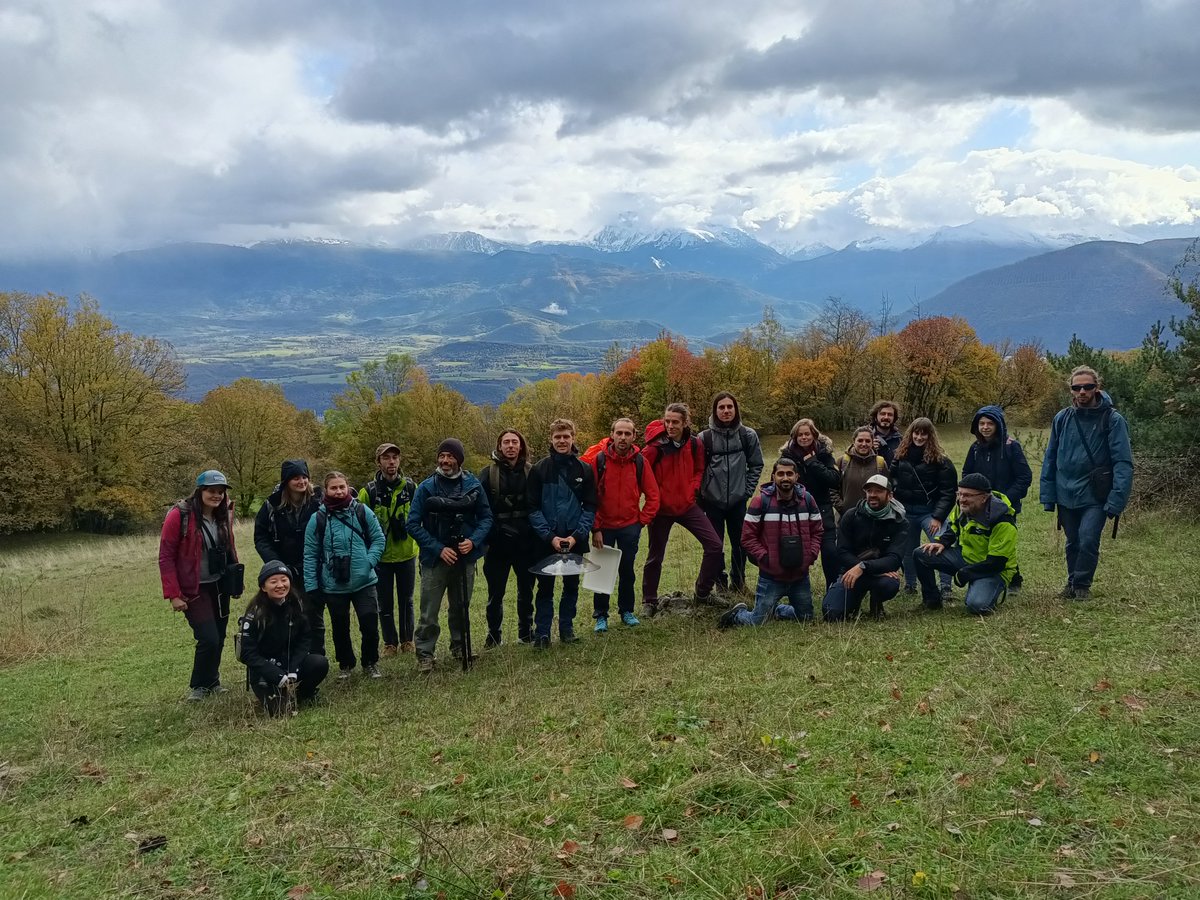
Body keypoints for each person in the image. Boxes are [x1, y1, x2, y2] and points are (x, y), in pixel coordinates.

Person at [1039, 366, 1134, 600]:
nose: (1082, 391)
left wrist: (1117, 499)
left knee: (1089, 538)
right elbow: (1050, 457)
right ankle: (1072, 582)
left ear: (1097, 387)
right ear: (1071, 390)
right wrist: (1048, 495)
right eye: (1076, 387)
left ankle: (1082, 584)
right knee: (1073, 541)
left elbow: (1123, 462)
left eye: (1087, 386)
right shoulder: (1062, 418)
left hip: (1095, 494)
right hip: (1065, 492)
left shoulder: (1112, 419)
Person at [407, 438, 493, 672]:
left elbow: (486, 518)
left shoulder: (473, 485)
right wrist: (438, 548)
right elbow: (412, 524)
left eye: (450, 456)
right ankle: (425, 654)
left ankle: (460, 647)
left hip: (465, 557)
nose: (445, 461)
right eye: (442, 456)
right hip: (435, 559)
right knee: (429, 611)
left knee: (460, 606)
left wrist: (473, 541)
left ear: (459, 460)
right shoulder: (426, 488)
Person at [159, 470, 241, 701]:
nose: (216, 496)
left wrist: (235, 580)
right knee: (208, 637)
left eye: (220, 492)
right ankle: (198, 686)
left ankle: (213, 681)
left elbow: (229, 548)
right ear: (200, 491)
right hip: (194, 588)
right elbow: (165, 556)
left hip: (220, 585)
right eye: (211, 491)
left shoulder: (223, 515)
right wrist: (173, 594)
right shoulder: (180, 515)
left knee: (220, 635)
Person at [717, 458, 823, 628]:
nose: (785, 478)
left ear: (796, 476)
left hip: (800, 575)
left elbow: (818, 530)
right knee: (757, 622)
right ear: (773, 476)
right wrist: (765, 558)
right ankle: (738, 615)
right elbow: (747, 537)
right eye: (780, 474)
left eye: (789, 474)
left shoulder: (808, 500)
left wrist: (810, 555)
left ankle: (776, 609)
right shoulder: (761, 502)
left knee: (805, 619)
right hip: (771, 576)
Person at [640, 403, 724, 614]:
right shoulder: (654, 448)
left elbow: (699, 469)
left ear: (685, 422)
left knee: (715, 546)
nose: (670, 426)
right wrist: (652, 499)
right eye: (667, 421)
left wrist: (693, 489)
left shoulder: (695, 444)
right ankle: (649, 601)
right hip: (661, 510)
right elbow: (640, 473)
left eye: (675, 422)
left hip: (687, 506)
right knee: (655, 557)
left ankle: (702, 593)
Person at [303, 471, 385, 680]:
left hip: (364, 580)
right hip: (333, 583)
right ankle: (345, 664)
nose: (339, 492)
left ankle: (370, 662)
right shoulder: (318, 518)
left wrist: (369, 562)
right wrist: (311, 586)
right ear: (326, 490)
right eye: (334, 488)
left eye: (342, 487)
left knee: (369, 623)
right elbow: (310, 554)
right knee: (340, 627)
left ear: (348, 487)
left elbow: (378, 539)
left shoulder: (361, 511)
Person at [581, 418, 660, 632]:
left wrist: (642, 521)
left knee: (627, 570)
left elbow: (653, 495)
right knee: (602, 571)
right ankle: (601, 616)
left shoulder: (639, 461)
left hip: (629, 526)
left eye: (627, 434)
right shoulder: (599, 460)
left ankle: (626, 611)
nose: (623, 437)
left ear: (634, 436)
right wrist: (595, 527)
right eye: (619, 433)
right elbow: (590, 497)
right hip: (603, 527)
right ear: (612, 434)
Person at [527, 419, 598, 649]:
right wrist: (550, 537)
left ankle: (567, 629)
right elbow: (533, 508)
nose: (562, 441)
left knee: (571, 586)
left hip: (574, 539)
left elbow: (590, 507)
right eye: (557, 437)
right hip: (546, 540)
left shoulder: (584, 469)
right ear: (551, 439)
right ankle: (543, 634)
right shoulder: (539, 469)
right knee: (545, 588)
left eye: (566, 436)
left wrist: (576, 536)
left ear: (573, 438)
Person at [913, 474, 1018, 615]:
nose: (962, 499)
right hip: (965, 558)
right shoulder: (962, 507)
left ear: (984, 497)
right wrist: (942, 542)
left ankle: (990, 590)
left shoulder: (1003, 522)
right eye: (959, 494)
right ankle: (931, 600)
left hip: (993, 570)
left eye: (968, 495)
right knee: (922, 553)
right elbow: (953, 527)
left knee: (977, 606)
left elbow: (996, 563)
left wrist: (965, 574)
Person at [253, 459, 326, 653]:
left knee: (314, 614)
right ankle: (291, 659)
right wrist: (277, 565)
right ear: (286, 481)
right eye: (296, 478)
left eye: (304, 477)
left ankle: (317, 658)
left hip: (314, 567)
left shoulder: (318, 500)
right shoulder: (272, 505)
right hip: (285, 571)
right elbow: (260, 537)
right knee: (288, 614)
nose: (301, 481)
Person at [239, 560, 329, 715]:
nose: (280, 585)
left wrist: (294, 668)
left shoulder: (297, 605)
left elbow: (305, 639)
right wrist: (276, 674)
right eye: (273, 582)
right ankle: (278, 697)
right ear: (263, 587)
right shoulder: (255, 614)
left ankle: (300, 694)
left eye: (284, 580)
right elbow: (247, 653)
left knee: (319, 663)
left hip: (290, 666)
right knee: (281, 713)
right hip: (265, 672)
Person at [697, 391, 764, 594]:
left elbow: (756, 465)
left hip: (738, 501)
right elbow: (697, 470)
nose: (726, 411)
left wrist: (746, 491)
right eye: (722, 407)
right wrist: (703, 495)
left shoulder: (747, 435)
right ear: (715, 411)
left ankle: (739, 582)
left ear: (736, 410)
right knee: (715, 546)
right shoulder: (704, 438)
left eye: (730, 407)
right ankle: (720, 584)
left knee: (741, 544)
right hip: (712, 502)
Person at [962, 405, 1032, 590]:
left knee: (1003, 541)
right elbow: (966, 473)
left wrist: (1006, 498)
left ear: (998, 425)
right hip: (979, 505)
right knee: (984, 540)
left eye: (989, 423)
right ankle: (990, 573)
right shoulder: (975, 448)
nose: (985, 427)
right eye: (981, 423)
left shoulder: (1011, 447)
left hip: (1005, 506)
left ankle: (1014, 578)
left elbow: (1025, 476)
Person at [822, 474, 908, 622]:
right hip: (850, 572)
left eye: (878, 491)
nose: (873, 495)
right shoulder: (851, 515)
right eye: (869, 491)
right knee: (831, 614)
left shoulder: (900, 521)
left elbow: (894, 559)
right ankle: (854, 600)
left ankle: (876, 601)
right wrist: (858, 567)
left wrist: (864, 567)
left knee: (889, 585)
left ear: (890, 495)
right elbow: (842, 551)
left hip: (881, 575)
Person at [359, 443, 419, 655]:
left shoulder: (411, 488)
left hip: (406, 554)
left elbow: (420, 517)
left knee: (407, 600)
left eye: (394, 457)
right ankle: (389, 643)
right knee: (383, 602)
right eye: (386, 458)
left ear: (399, 461)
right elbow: (359, 524)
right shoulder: (369, 492)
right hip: (380, 558)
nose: (391, 462)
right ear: (379, 462)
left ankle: (407, 640)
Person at [479, 429, 537, 646]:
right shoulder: (487, 474)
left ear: (521, 446)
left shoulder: (533, 472)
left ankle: (526, 632)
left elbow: (538, 505)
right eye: (506, 442)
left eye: (515, 442)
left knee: (526, 590)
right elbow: (481, 508)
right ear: (499, 446)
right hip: (497, 544)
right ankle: (493, 635)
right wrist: (492, 534)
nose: (511, 446)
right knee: (495, 593)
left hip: (525, 543)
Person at [889, 417, 958, 599]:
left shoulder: (941, 460)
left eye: (923, 434)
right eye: (916, 433)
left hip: (929, 512)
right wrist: (894, 490)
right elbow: (891, 476)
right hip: (905, 512)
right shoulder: (900, 454)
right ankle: (910, 584)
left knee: (939, 546)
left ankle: (945, 586)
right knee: (908, 550)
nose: (919, 437)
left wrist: (938, 516)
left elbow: (948, 492)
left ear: (930, 436)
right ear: (911, 434)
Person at [779, 418, 841, 590]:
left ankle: (833, 589)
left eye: (807, 434)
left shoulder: (824, 453)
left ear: (814, 435)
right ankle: (798, 590)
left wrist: (813, 463)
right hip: (797, 509)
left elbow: (835, 480)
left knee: (830, 551)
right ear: (794, 437)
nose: (804, 437)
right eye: (800, 435)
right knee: (798, 552)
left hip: (822, 508)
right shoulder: (787, 455)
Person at [835, 426, 889, 516]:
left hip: (873, 517)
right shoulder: (842, 461)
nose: (864, 444)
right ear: (854, 441)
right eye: (860, 440)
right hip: (846, 516)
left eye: (868, 441)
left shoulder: (880, 463)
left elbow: (887, 489)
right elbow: (832, 488)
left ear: (872, 443)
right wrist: (841, 507)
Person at [869, 400, 903, 466]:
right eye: (882, 414)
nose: (886, 417)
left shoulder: (900, 440)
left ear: (894, 418)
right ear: (875, 417)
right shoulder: (865, 437)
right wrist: (868, 449)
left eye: (890, 415)